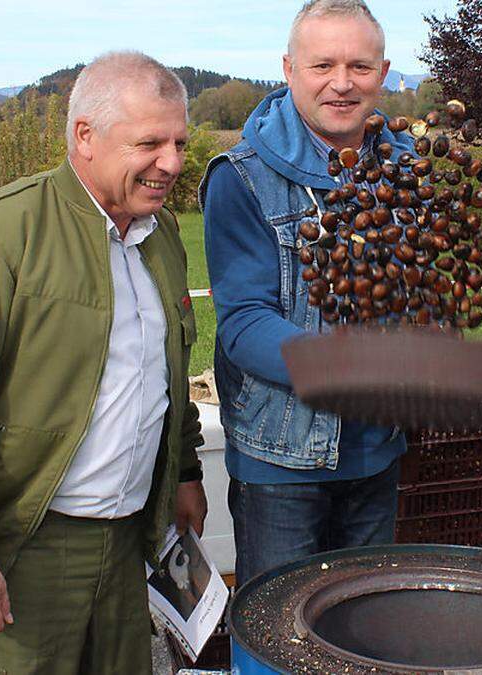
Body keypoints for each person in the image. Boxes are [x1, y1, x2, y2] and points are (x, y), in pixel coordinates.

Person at [0, 51, 206, 674]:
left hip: (127, 544)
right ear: (84, 137)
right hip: (26, 545)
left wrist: (185, 471)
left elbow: (165, 372)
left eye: (178, 141)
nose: (171, 163)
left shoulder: (162, 235)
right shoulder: (0, 235)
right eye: (149, 142)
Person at [200, 0, 409, 586]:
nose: (342, 84)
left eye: (360, 67)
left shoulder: (409, 166)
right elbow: (243, 323)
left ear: (384, 71)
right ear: (289, 69)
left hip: (379, 448)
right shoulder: (241, 177)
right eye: (322, 66)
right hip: (281, 459)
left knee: (364, 628)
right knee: (283, 641)